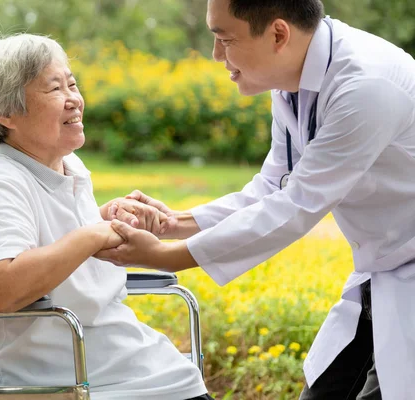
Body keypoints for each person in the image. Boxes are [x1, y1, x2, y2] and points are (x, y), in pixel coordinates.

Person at [97, 0, 415, 399]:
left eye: (225, 40)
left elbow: (297, 207)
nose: (216, 56)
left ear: (278, 34)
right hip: (384, 275)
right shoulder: (293, 83)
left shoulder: (365, 86)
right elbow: (274, 186)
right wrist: (177, 222)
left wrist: (166, 256)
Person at [0, 33, 211, 400]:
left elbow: (58, 241)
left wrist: (107, 219)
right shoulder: (2, 182)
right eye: (55, 88)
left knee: (180, 377)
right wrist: (95, 235)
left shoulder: (69, 169)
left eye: (72, 84)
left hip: (113, 359)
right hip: (51, 373)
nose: (74, 99)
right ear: (6, 113)